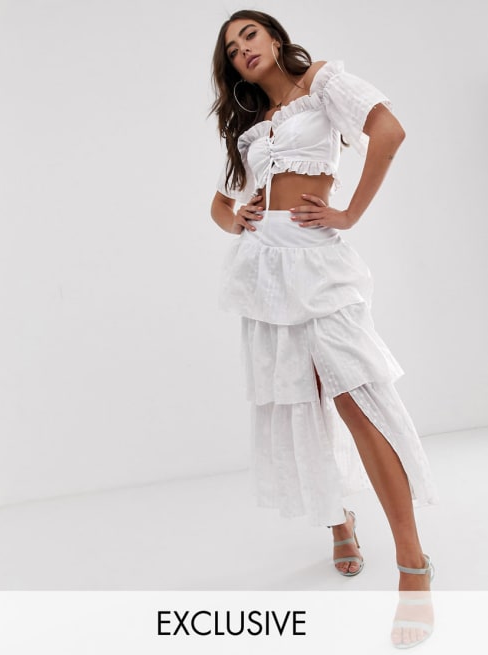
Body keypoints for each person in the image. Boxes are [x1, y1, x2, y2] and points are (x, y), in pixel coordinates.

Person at [210, 9, 438, 648]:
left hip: (318, 265)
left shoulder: (322, 83)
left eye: (250, 34)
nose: (243, 49)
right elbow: (220, 204)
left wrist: (350, 213)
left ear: (274, 38)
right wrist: (239, 216)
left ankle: (413, 567)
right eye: (232, 48)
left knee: (359, 400)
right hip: (264, 271)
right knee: (303, 402)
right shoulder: (248, 128)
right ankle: (340, 521)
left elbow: (389, 131)